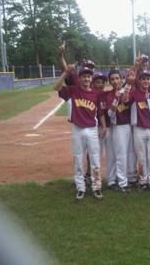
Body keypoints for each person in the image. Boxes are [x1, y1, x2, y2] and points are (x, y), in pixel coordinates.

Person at [53, 64, 106, 200]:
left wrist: (104, 127)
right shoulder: (73, 90)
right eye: (84, 76)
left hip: (92, 130)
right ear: (80, 78)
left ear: (91, 78)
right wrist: (65, 73)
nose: (86, 79)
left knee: (95, 159)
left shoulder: (95, 94)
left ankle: (96, 187)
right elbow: (56, 87)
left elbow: (100, 113)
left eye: (88, 76)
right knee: (78, 159)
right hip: (78, 129)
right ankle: (80, 187)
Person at [123, 70, 150, 191]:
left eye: (148, 79)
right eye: (143, 79)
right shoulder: (135, 93)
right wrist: (127, 85)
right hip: (139, 129)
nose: (146, 81)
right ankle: (143, 180)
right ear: (139, 80)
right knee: (142, 157)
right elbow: (125, 100)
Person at [105, 69, 134, 192]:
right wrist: (115, 99)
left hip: (127, 125)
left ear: (121, 79)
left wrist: (127, 84)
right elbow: (110, 114)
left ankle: (115, 180)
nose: (115, 81)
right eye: (112, 79)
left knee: (125, 154)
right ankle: (121, 183)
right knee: (118, 155)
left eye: (117, 78)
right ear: (110, 81)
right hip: (117, 126)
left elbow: (127, 99)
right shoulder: (108, 95)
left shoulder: (125, 91)